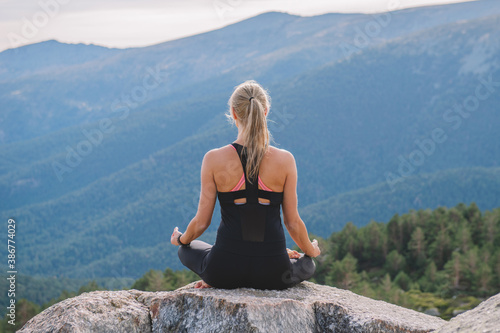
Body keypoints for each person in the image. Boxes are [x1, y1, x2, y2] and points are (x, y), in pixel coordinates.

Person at [170, 80, 320, 290]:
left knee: (186, 249)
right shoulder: (285, 160)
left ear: (233, 113)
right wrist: (311, 251)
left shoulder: (213, 159)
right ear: (265, 112)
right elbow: (293, 223)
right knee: (307, 264)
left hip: (222, 272)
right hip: (274, 275)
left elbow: (201, 223)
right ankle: (281, 254)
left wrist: (181, 239)